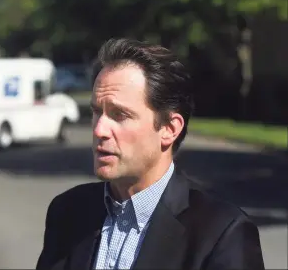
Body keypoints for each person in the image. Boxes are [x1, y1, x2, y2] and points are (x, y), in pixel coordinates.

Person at [36, 38, 265, 270]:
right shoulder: (67, 213)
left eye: (119, 115)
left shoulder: (222, 234)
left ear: (169, 129)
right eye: (97, 112)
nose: (99, 130)